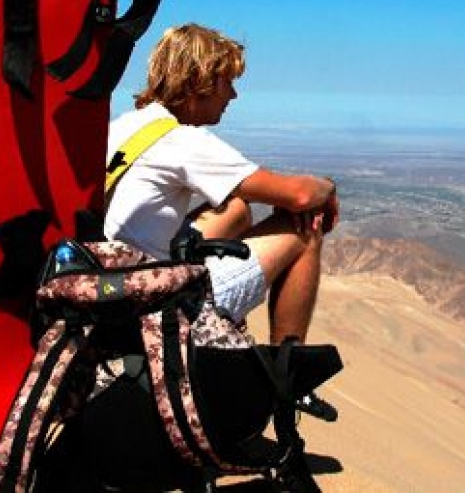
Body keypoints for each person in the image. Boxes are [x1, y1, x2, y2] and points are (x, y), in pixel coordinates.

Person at [105, 23, 340, 421]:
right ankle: (290, 378)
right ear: (199, 82)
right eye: (226, 82)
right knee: (305, 229)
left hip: (115, 280)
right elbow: (300, 194)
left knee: (236, 209)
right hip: (157, 306)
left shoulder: (127, 124)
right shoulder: (183, 141)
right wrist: (328, 190)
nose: (233, 95)